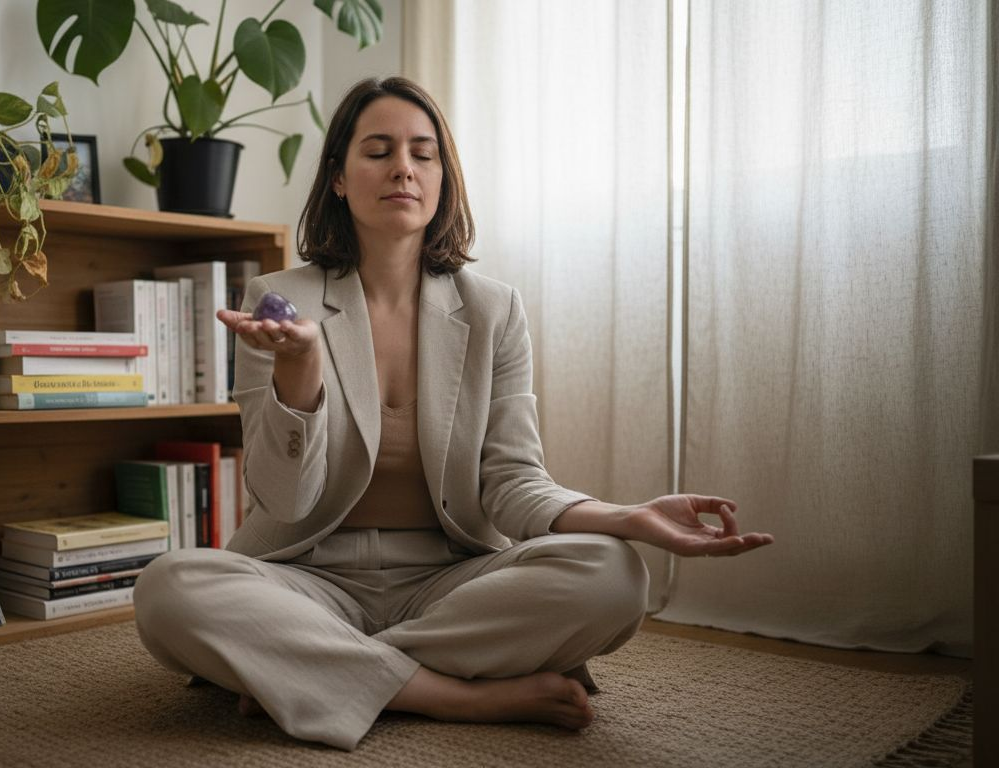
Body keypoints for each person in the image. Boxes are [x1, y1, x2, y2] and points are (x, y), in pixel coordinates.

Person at [133, 76, 773, 751]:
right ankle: (452, 695)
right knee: (169, 587)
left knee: (614, 575)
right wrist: (300, 370)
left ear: (443, 178)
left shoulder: (495, 309)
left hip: (449, 578)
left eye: (423, 153)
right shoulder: (278, 300)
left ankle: (305, 669)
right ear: (339, 178)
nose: (403, 168)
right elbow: (283, 500)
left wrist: (627, 517)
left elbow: (513, 483)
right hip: (305, 573)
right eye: (378, 151)